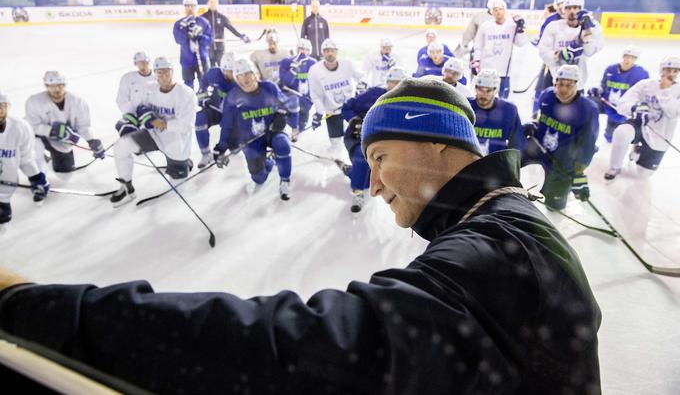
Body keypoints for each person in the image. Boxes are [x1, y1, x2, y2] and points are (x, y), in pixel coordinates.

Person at [0, 77, 602, 395]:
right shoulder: (503, 222)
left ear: (438, 143)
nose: (371, 181)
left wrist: (34, 308)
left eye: (381, 154)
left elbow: (296, 349)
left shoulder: (495, 250)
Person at [110, 57, 196, 206]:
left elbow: (185, 126)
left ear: (172, 72)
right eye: (159, 72)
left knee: (179, 190)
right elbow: (138, 108)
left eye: (166, 72)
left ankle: (184, 163)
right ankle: (126, 186)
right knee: (121, 146)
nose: (162, 76)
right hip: (152, 135)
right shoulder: (149, 88)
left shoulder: (185, 93)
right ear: (155, 73)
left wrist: (157, 122)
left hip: (176, 142)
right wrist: (129, 121)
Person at [212, 59, 297, 200]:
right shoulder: (232, 97)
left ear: (255, 74)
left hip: (272, 132)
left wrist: (282, 115)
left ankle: (285, 181)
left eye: (248, 74)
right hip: (251, 140)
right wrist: (221, 147)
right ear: (236, 78)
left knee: (283, 144)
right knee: (259, 178)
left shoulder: (269, 87)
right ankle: (270, 161)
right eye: (240, 75)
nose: (245, 78)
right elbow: (226, 125)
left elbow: (285, 105)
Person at [522, 65, 599, 211]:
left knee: (554, 207)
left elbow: (588, 144)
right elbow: (539, 119)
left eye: (569, 85)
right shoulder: (547, 95)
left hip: (562, 160)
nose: (563, 90)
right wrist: (532, 125)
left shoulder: (588, 110)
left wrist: (579, 172)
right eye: (560, 84)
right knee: (510, 158)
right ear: (554, 82)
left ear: (577, 85)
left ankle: (556, 196)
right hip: (538, 146)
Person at [341, 66, 407, 213]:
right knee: (362, 158)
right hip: (359, 137)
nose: (395, 86)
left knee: (372, 174)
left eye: (399, 83)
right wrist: (354, 120)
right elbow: (347, 106)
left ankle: (350, 171)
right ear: (387, 82)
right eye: (392, 82)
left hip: (385, 141)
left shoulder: (407, 102)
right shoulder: (374, 94)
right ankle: (358, 192)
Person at [604, 56, 680, 180]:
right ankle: (614, 167)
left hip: (660, 135)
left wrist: (665, 91)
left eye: (675, 71)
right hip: (638, 125)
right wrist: (634, 108)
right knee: (622, 132)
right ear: (661, 70)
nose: (671, 74)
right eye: (668, 70)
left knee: (643, 174)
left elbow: (674, 113)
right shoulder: (646, 84)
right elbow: (622, 105)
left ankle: (638, 150)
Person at [24, 71, 105, 173]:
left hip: (61, 139)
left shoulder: (78, 102)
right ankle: (38, 175)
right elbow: (31, 125)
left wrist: (91, 141)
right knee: (36, 146)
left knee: (64, 170)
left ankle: (48, 160)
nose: (56, 89)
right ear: (46, 86)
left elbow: (83, 125)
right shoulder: (34, 101)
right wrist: (51, 131)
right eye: (52, 86)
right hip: (36, 136)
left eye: (59, 85)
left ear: (64, 85)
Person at [537, 0, 604, 112]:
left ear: (581, 9)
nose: (572, 11)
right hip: (557, 82)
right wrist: (560, 55)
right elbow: (543, 51)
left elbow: (589, 52)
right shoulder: (553, 26)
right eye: (568, 8)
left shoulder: (593, 27)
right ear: (563, 10)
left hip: (578, 83)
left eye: (576, 7)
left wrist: (587, 31)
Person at [308, 39, 364, 155]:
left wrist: (362, 84)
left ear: (336, 52)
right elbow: (316, 95)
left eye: (332, 50)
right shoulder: (315, 71)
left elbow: (361, 77)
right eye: (326, 51)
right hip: (332, 112)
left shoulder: (347, 64)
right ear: (322, 53)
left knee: (358, 136)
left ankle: (357, 162)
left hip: (350, 108)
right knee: (336, 143)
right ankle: (340, 161)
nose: (329, 53)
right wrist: (318, 113)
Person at [0, 91, 49, 223]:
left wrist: (36, 178)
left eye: (1, 106)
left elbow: (25, 158)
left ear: (7, 107)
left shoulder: (20, 128)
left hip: (4, 188)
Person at [587, 45, 649, 142]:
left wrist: (636, 107)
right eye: (626, 56)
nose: (628, 59)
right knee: (588, 103)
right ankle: (584, 129)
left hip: (622, 109)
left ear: (635, 59)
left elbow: (643, 94)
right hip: (607, 103)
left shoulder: (641, 74)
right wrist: (597, 90)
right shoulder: (610, 69)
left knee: (611, 137)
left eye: (632, 57)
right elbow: (603, 86)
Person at [472, 0, 528, 99]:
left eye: (500, 9)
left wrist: (520, 30)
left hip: (504, 71)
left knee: (503, 99)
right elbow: (478, 45)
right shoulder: (485, 27)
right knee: (486, 96)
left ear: (504, 9)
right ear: (491, 12)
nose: (498, 12)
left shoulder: (512, 25)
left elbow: (521, 43)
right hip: (487, 69)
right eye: (495, 10)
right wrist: (476, 61)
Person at [468, 69, 524, 156]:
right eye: (480, 89)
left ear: (495, 90)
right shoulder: (466, 106)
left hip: (496, 164)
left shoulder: (509, 110)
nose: (483, 94)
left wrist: (509, 164)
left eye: (488, 90)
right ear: (475, 88)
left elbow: (517, 143)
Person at [195, 52, 237, 168]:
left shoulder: (241, 79)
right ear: (223, 69)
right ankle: (205, 154)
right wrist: (203, 99)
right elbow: (202, 85)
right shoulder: (213, 73)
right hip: (215, 110)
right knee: (199, 118)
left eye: (235, 71)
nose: (234, 74)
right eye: (230, 71)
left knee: (235, 147)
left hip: (232, 116)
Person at [533, 0, 572, 98]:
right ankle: (537, 109)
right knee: (543, 87)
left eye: (564, 3)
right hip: (551, 60)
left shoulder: (576, 20)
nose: (561, 7)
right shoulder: (550, 20)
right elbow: (542, 41)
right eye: (559, 4)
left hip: (571, 62)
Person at [173, 0, 212, 88]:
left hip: (202, 59)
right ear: (184, 7)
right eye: (187, 6)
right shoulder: (179, 24)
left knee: (204, 85)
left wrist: (200, 36)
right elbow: (178, 40)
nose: (190, 8)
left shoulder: (203, 22)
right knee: (188, 86)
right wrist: (186, 31)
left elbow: (209, 41)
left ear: (196, 7)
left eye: (192, 6)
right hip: (187, 60)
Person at [199, 0, 250, 67]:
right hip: (208, 48)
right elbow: (198, 31)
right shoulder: (203, 18)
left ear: (217, 4)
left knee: (222, 68)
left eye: (215, 2)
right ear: (208, 3)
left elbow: (232, 29)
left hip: (220, 48)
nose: (213, 4)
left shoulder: (222, 17)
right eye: (211, 2)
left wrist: (241, 36)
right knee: (210, 69)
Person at [279, 38, 317, 133]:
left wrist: (313, 100)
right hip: (291, 102)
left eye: (306, 49)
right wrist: (294, 68)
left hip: (306, 102)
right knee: (289, 128)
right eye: (301, 49)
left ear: (310, 51)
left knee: (301, 129)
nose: (303, 52)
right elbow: (286, 83)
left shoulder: (313, 63)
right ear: (297, 49)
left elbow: (317, 84)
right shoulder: (286, 62)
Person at [452, 0, 495, 68]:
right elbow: (470, 32)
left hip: (495, 52)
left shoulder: (503, 20)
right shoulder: (479, 17)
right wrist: (465, 43)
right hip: (478, 51)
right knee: (476, 73)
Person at [116, 51, 157, 116]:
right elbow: (121, 99)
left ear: (148, 63)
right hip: (134, 116)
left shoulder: (158, 78)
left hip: (154, 116)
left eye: (144, 63)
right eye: (138, 64)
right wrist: (130, 114)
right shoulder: (128, 78)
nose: (142, 66)